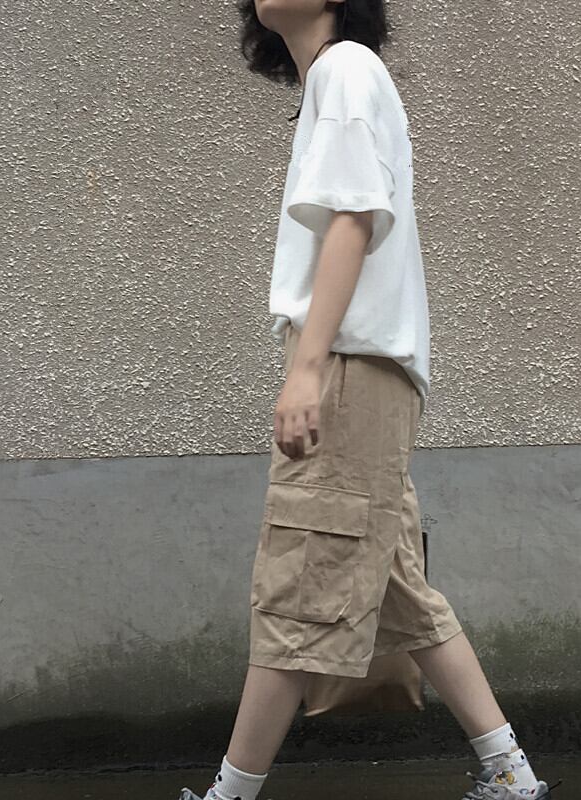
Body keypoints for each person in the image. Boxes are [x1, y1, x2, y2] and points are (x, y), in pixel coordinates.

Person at [180, 2, 559, 799]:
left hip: (349, 368)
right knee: (398, 592)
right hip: (361, 371)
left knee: (297, 588)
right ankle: (511, 775)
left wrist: (307, 367)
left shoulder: (347, 67)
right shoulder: (337, 77)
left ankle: (228, 797)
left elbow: (354, 218)